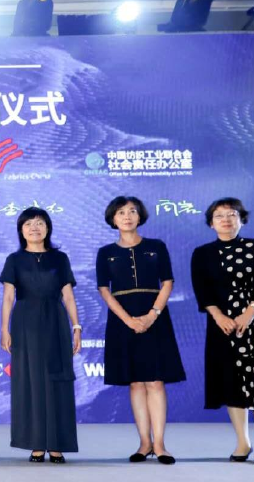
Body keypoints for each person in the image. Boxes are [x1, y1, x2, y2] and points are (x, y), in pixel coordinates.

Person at [190, 197, 254, 465]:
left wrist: (249, 313)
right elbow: (202, 291)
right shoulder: (202, 253)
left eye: (232, 215)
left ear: (241, 219)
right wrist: (219, 316)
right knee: (232, 381)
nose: (226, 220)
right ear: (211, 224)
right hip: (223, 325)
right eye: (219, 216)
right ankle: (242, 442)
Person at [96, 196, 185, 465]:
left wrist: (152, 315)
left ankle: (160, 444)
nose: (127, 216)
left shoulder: (156, 246)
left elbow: (167, 282)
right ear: (113, 219)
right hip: (122, 320)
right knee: (135, 382)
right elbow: (104, 290)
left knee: (155, 381)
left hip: (155, 318)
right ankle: (144, 443)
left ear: (140, 216)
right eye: (121, 212)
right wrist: (128, 320)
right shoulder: (105, 252)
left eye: (132, 211)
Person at [0, 207, 80, 464]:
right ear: (21, 230)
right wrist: (4, 329)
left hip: (55, 322)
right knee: (30, 382)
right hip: (25, 324)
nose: (34, 228)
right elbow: (8, 297)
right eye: (28, 224)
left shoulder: (60, 258)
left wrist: (76, 327)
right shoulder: (14, 259)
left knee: (57, 382)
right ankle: (36, 443)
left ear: (48, 228)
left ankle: (56, 444)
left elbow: (68, 296)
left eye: (40, 223)